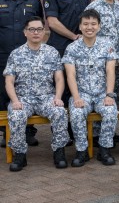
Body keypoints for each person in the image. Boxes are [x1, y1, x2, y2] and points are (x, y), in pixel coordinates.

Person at [4, 17, 70, 171]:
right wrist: (14, 101)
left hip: (46, 98)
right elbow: (9, 81)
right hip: (23, 99)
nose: (35, 32)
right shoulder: (16, 54)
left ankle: (59, 152)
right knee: (16, 115)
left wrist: (58, 98)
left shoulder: (52, 52)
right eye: (31, 29)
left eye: (39, 29)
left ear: (43, 32)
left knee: (59, 112)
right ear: (25, 33)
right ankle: (20, 155)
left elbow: (59, 79)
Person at [62, 10, 118, 167]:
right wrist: (77, 97)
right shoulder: (72, 48)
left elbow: (110, 71)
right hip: (82, 94)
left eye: (93, 24)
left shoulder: (107, 46)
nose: (89, 27)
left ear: (99, 26)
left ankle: (105, 150)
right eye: (85, 24)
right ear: (80, 26)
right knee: (76, 112)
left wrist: (109, 95)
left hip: (102, 93)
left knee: (111, 110)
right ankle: (82, 151)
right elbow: (70, 76)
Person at [0, 0, 43, 148]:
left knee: (29, 90)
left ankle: (28, 131)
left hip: (28, 56)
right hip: (3, 54)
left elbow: (38, 28)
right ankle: (4, 132)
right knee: (3, 92)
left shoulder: (33, 1)